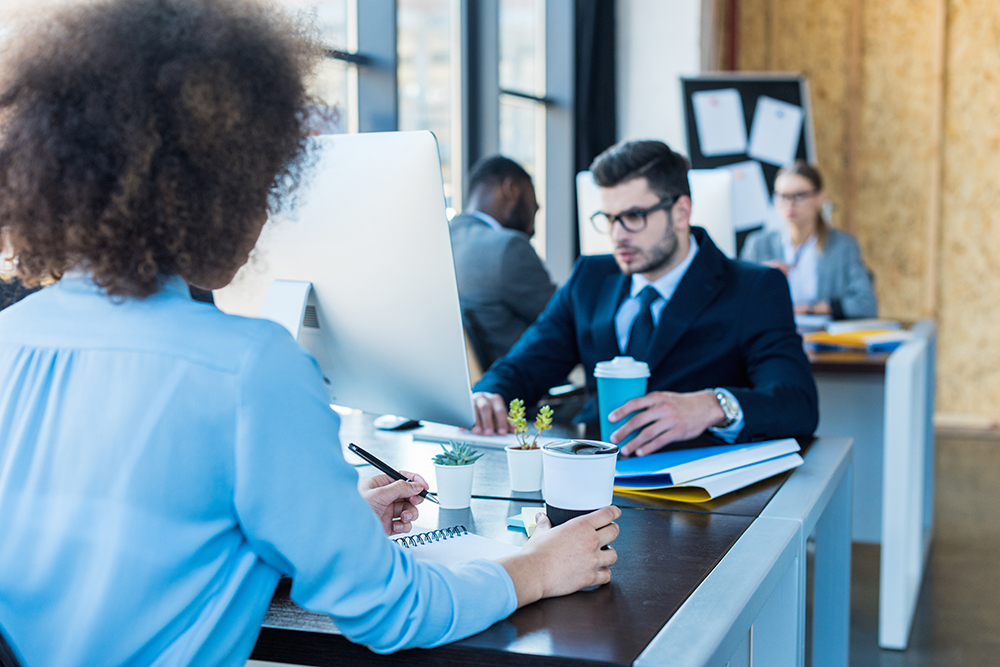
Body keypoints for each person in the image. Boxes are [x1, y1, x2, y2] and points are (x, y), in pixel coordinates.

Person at [0, 2, 620, 666]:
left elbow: (121, 552)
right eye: (262, 186)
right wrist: (536, 567)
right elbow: (393, 610)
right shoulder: (248, 366)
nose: (266, 215)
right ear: (214, 189)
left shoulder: (11, 336)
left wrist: (320, 525)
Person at [471, 140, 818, 457]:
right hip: (596, 473)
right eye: (609, 219)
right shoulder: (590, 278)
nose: (617, 235)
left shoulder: (754, 288)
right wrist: (487, 396)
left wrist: (714, 405)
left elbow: (796, 402)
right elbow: (525, 366)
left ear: (681, 213)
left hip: (700, 490)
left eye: (633, 216)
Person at [450, 156, 556, 368]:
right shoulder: (508, 247)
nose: (533, 229)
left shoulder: (441, 239)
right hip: (523, 393)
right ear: (511, 189)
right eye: (534, 209)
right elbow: (567, 318)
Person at [740, 161, 878, 320]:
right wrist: (759, 277)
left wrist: (808, 309)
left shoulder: (843, 246)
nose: (790, 204)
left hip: (824, 339)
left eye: (799, 196)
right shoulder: (758, 245)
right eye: (783, 196)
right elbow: (738, 301)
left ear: (820, 198)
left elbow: (866, 304)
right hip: (772, 338)